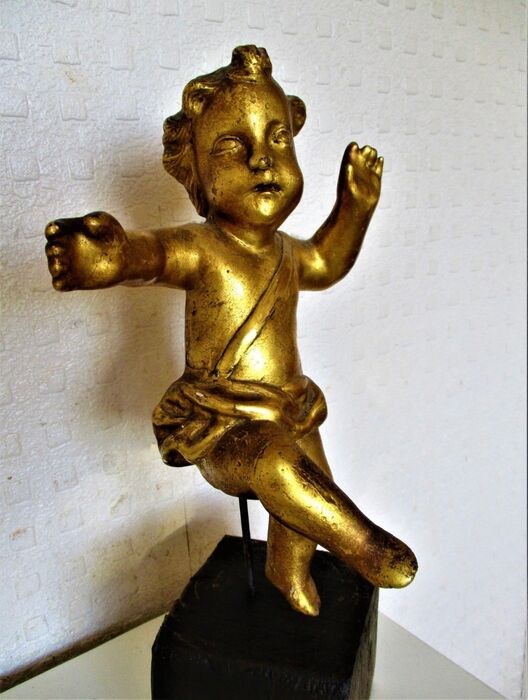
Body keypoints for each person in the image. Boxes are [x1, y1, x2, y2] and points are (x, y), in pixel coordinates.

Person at [45, 45, 417, 616]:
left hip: (289, 406)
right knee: (277, 466)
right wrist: (113, 258)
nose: (263, 162)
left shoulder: (288, 252)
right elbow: (151, 257)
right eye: (232, 147)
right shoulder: (202, 246)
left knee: (309, 489)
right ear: (197, 173)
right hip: (221, 423)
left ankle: (287, 568)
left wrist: (355, 208)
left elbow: (326, 262)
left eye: (278, 140)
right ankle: (363, 545)